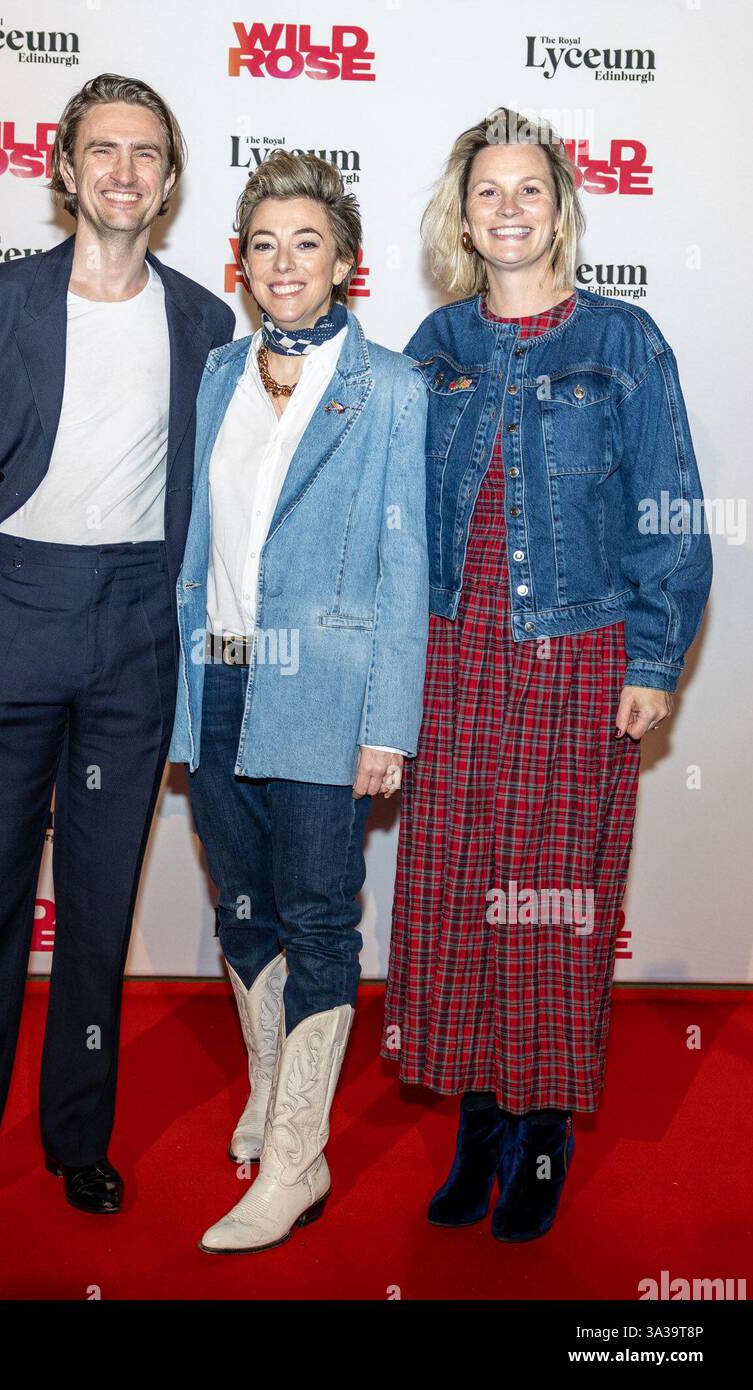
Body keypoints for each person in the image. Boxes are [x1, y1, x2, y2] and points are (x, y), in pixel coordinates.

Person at [0, 73, 234, 1250]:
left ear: (172, 181)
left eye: (147, 153)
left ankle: (78, 1140)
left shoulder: (203, 320)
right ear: (64, 170)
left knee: (96, 908)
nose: (125, 172)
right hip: (13, 613)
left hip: (138, 624)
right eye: (103, 150)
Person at [381, 108, 712, 1242]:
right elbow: (394, 518)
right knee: (453, 895)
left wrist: (656, 655)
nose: (508, 209)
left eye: (530, 190)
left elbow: (668, 511)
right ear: (461, 214)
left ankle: (543, 1132)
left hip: (577, 655)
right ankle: (479, 1115)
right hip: (450, 653)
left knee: (557, 901)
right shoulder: (436, 348)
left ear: (561, 208)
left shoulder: (624, 344)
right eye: (488, 192)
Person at [168, 150, 429, 1254]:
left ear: (346, 262)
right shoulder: (221, 372)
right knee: (241, 907)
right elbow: (197, 542)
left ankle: (293, 1161)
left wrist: (388, 720)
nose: (284, 263)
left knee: (320, 913)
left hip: (324, 689)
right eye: (265, 243)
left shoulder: (393, 389)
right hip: (219, 674)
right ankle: (276, 1097)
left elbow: (404, 565)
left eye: (306, 242)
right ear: (243, 260)